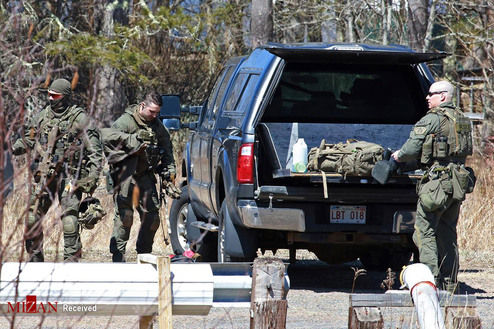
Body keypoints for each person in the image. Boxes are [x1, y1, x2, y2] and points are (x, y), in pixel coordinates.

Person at [392, 80, 474, 292]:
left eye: (432, 94)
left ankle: (429, 282)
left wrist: (398, 156)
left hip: (437, 183)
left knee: (423, 231)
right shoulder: (463, 119)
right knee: (448, 233)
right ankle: (450, 282)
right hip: (457, 182)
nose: (428, 97)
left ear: (443, 97)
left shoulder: (433, 119)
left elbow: (410, 149)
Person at [12, 78, 103, 262]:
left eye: (56, 96)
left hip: (70, 176)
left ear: (66, 97)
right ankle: (35, 260)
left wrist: (91, 179)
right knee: (31, 217)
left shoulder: (80, 118)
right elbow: (29, 139)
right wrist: (12, 146)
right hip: (45, 175)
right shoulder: (43, 116)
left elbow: (95, 152)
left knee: (70, 220)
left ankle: (71, 262)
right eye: (49, 95)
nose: (51, 99)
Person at [102, 91, 175, 262]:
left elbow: (167, 151)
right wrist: (132, 141)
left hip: (145, 176)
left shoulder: (158, 126)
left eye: (158, 112)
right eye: (152, 111)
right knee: (125, 217)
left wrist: (169, 172)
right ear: (142, 106)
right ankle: (118, 256)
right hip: (126, 176)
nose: (155, 115)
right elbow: (107, 138)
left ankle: (144, 254)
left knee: (152, 218)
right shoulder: (125, 122)